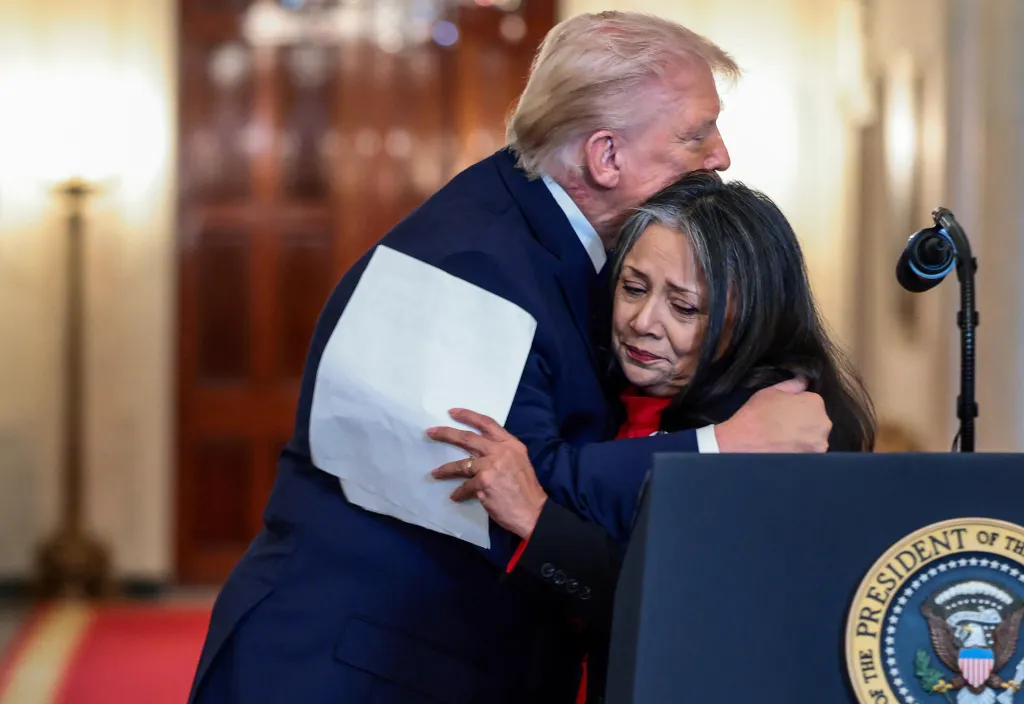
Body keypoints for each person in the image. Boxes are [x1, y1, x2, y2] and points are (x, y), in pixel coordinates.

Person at [188, 12, 833, 704]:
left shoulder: (544, 232)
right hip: (348, 669)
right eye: (697, 133)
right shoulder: (473, 263)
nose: (722, 155)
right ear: (606, 156)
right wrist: (721, 446)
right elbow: (514, 483)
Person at [429, 171, 876, 702]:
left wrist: (535, 519)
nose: (643, 322)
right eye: (633, 288)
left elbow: (683, 620)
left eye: (684, 307)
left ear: (752, 320)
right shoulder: (607, 387)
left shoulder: (779, 435)